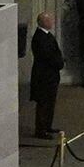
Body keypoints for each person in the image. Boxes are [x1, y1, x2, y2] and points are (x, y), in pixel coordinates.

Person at [27, 11, 64, 139]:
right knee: (43, 103)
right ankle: (41, 130)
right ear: (43, 22)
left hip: (50, 76)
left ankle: (47, 126)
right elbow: (47, 56)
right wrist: (59, 63)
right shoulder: (39, 37)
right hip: (43, 77)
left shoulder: (46, 36)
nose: (52, 22)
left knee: (50, 102)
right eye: (50, 20)